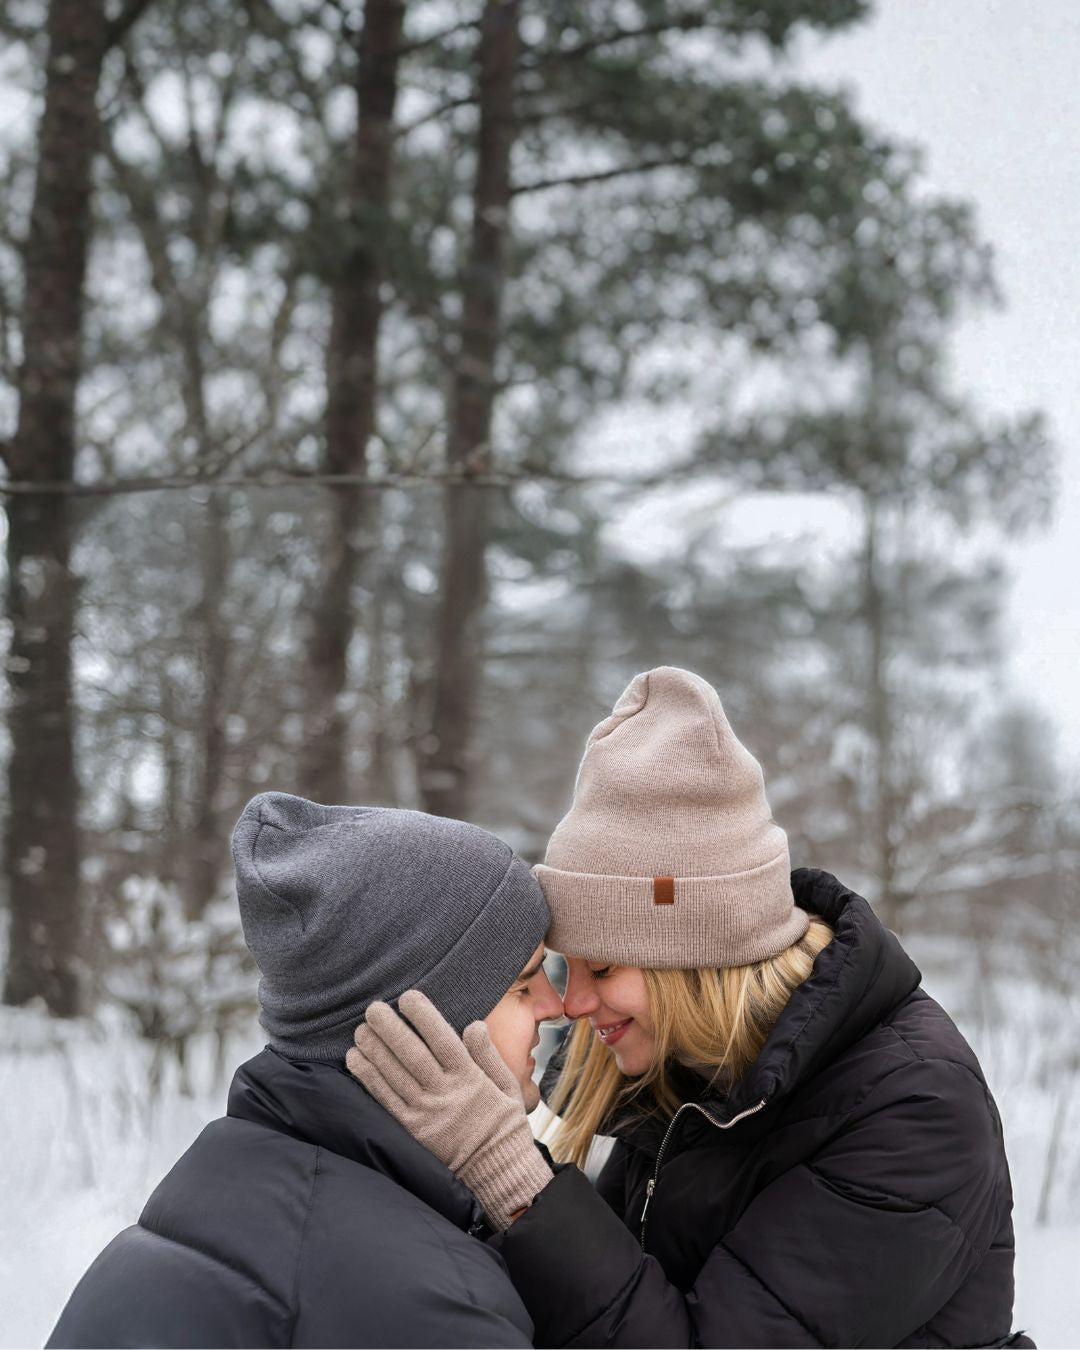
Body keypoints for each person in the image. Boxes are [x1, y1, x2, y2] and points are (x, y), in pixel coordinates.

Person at [350, 667, 1033, 1349]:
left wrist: (507, 1169)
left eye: (605, 966)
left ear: (697, 959)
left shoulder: (911, 1109)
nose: (573, 1002)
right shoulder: (697, 1073)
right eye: (567, 965)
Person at [47, 791, 562, 1349]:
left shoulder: (201, 1200)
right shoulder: (429, 1305)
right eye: (523, 984)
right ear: (422, 1025)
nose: (556, 1006)